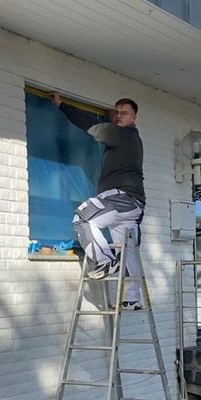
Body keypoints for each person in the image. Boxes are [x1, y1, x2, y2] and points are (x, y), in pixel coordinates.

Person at [49, 92, 145, 310]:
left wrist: (62, 105)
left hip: (121, 197)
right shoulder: (132, 139)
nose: (119, 116)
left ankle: (103, 261)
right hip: (133, 206)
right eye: (117, 113)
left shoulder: (123, 134)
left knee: (82, 218)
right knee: (127, 249)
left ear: (134, 118)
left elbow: (91, 126)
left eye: (125, 113)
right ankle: (131, 299)